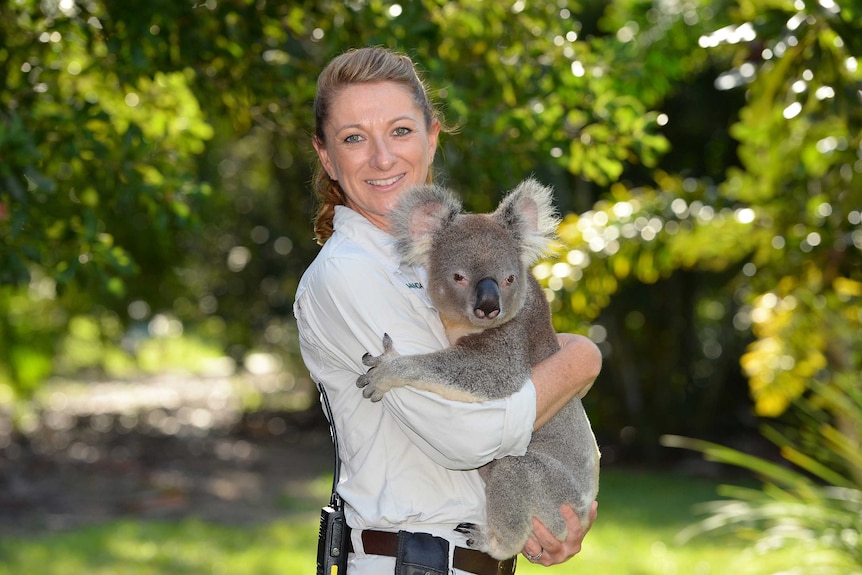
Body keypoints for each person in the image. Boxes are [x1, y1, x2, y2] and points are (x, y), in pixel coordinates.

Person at [293, 46, 601, 575]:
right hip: (409, 560)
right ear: (326, 156)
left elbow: (518, 378)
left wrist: (542, 515)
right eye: (353, 138)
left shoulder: (441, 257)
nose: (383, 158)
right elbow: (468, 436)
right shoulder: (349, 271)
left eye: (401, 131)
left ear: (432, 137)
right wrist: (580, 360)